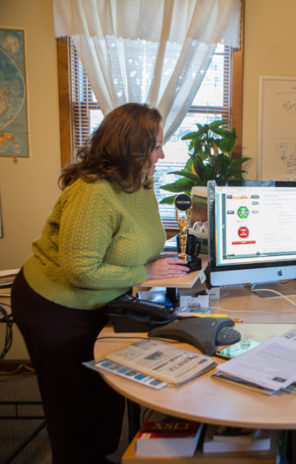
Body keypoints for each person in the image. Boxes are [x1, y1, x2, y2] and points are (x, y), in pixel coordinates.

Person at [11, 103, 190, 464]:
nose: (162, 153)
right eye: (156, 146)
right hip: (56, 306)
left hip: (100, 301)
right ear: (132, 149)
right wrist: (146, 273)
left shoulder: (139, 180)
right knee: (73, 408)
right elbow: (82, 271)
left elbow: (134, 238)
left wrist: (157, 265)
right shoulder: (92, 194)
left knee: (105, 392)